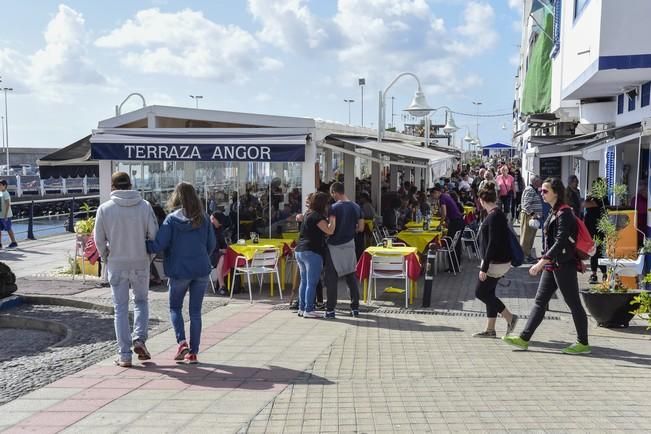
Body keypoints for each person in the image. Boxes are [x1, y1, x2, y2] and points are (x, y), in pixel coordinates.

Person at [503, 178, 591, 355]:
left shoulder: (564, 213)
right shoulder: (554, 211)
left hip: (563, 264)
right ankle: (524, 339)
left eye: (545, 191)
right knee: (540, 302)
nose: (541, 194)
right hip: (554, 264)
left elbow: (560, 241)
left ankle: (583, 343)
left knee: (573, 303)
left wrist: (541, 261)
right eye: (541, 191)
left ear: (556, 193)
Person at [94, 172, 159, 368]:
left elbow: (98, 240)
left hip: (117, 262)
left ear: (112, 187)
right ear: (131, 185)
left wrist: (107, 257)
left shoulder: (105, 209)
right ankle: (139, 338)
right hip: (140, 261)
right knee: (141, 301)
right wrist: (148, 257)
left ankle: (124, 355)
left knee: (120, 309)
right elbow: (154, 236)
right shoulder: (144, 206)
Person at [147, 182, 216, 364]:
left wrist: (141, 243)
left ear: (176, 197)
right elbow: (211, 245)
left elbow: (158, 245)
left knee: (175, 308)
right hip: (201, 269)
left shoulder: (171, 220)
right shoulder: (204, 218)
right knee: (195, 312)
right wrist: (201, 257)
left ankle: (182, 342)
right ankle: (193, 353)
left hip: (179, 271)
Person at [473, 182, 518, 337]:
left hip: (495, 263)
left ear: (481, 200)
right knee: (489, 293)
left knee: (481, 293)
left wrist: (484, 268)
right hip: (498, 262)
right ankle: (490, 329)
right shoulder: (496, 214)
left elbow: (492, 243)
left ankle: (510, 317)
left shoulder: (494, 216)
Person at [324, 182, 364, 319]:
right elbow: (361, 228)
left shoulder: (333, 208)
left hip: (334, 246)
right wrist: (351, 230)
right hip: (349, 244)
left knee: (332, 279)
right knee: (351, 276)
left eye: (332, 194)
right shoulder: (356, 207)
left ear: (334, 192)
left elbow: (331, 229)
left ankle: (330, 309)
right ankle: (355, 308)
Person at [295, 192, 335, 318]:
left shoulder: (307, 214)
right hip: (312, 252)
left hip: (300, 251)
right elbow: (329, 231)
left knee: (305, 282)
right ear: (322, 204)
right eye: (327, 203)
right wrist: (333, 218)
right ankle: (309, 309)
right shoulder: (317, 216)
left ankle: (302, 308)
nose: (328, 206)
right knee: (312, 282)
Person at [431, 186, 465, 270]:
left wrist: (440, 223)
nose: (433, 197)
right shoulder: (446, 196)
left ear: (436, 192)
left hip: (455, 222)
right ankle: (455, 265)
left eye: (433, 195)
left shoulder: (442, 198)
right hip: (458, 221)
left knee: (451, 243)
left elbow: (444, 213)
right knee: (456, 244)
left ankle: (452, 266)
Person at [584, 178, 609, 283]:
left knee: (598, 252)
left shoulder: (602, 198)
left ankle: (601, 274)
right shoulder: (599, 197)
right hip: (593, 228)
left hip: (598, 228)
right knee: (595, 252)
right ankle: (598, 274)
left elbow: (587, 204)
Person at [520, 176, 543, 263]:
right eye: (539, 181)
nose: (540, 182)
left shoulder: (534, 189)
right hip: (528, 216)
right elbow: (526, 204)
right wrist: (533, 214)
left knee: (530, 238)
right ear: (534, 181)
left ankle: (528, 255)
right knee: (526, 238)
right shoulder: (530, 190)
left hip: (532, 216)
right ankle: (524, 257)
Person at [210, 211, 229, 295]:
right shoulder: (208, 228)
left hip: (215, 253)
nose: (220, 225)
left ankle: (221, 285)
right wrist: (220, 250)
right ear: (213, 219)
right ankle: (222, 285)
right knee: (221, 257)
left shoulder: (218, 228)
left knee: (225, 256)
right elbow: (208, 245)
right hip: (207, 254)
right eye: (219, 223)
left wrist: (224, 247)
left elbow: (222, 242)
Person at [0, 180, 18, 248]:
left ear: (4, 186)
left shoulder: (6, 193)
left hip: (6, 215)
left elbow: (8, 205)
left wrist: (5, 216)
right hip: (0, 215)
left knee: (8, 229)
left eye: (0, 185)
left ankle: (14, 242)